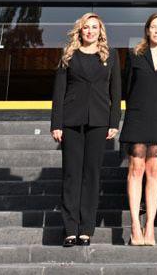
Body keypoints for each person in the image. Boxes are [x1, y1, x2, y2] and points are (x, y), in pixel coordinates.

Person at [50, 13, 121, 247]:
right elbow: (59, 91)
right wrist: (56, 123)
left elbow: (116, 91)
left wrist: (114, 121)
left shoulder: (110, 56)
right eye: (86, 27)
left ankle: (86, 229)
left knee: (92, 175)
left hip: (99, 121)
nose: (90, 31)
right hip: (71, 121)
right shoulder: (68, 55)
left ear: (101, 31)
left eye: (94, 27)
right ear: (79, 31)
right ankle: (70, 229)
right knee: (71, 174)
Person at [121, 12, 157, 246]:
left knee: (154, 170)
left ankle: (150, 226)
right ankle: (135, 225)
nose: (156, 31)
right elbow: (127, 87)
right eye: (153, 27)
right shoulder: (135, 55)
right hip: (137, 117)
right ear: (147, 30)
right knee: (136, 168)